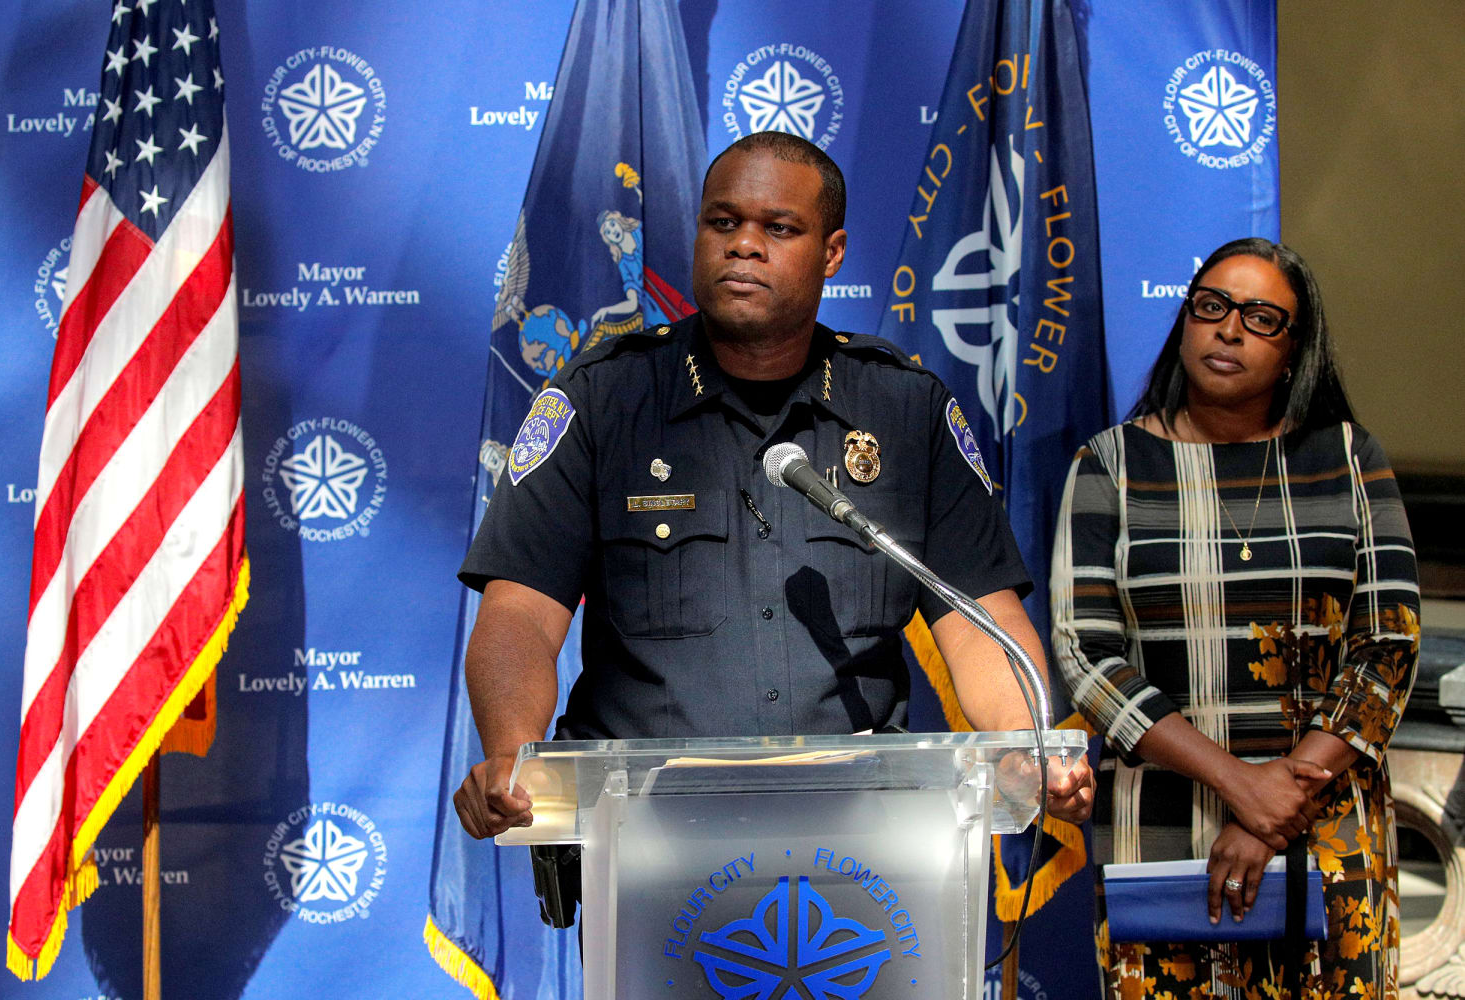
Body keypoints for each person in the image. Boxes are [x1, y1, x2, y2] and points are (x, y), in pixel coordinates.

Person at [452, 131, 1095, 842]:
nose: (743, 245)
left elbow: (980, 621)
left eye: (779, 228)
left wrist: (1022, 743)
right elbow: (519, 616)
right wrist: (513, 752)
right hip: (644, 841)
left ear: (832, 252)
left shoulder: (905, 412)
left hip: (866, 846)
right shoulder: (601, 400)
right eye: (722, 222)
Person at [1051, 237, 1419, 998]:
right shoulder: (1109, 466)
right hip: (1159, 828)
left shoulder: (1347, 457)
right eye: (1212, 307)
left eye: (1260, 318)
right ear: (1185, 324)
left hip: (1326, 826)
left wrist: (1271, 807)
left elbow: (1387, 643)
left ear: (1293, 353)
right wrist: (1238, 784)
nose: (1229, 329)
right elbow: (1087, 654)